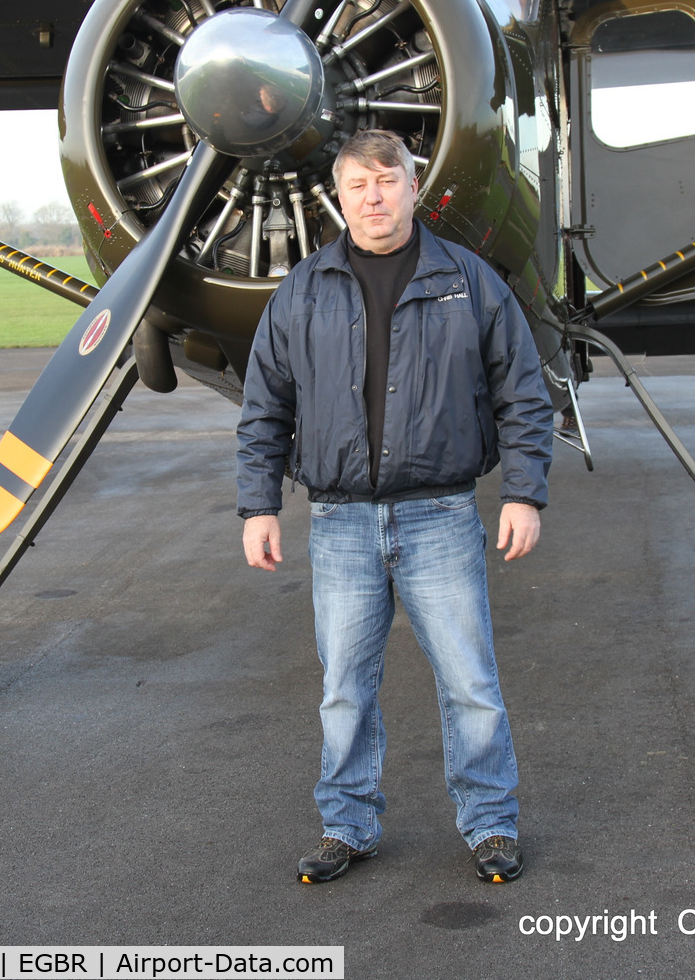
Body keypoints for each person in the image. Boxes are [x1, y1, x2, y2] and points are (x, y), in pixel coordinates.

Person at [236, 128, 554, 885]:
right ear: (340, 198)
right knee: (344, 686)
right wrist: (257, 506)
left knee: (471, 683)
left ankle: (490, 825)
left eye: (388, 181)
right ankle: (347, 824)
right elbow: (264, 407)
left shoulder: (470, 281)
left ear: (415, 188)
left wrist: (524, 492)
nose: (374, 197)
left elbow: (523, 394)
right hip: (341, 521)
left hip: (441, 514)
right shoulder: (303, 291)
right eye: (358, 185)